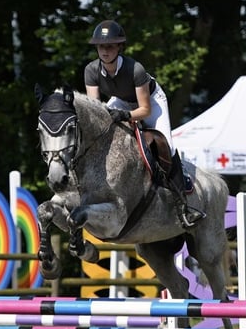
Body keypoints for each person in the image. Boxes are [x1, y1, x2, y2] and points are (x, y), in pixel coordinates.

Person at [83, 19, 205, 228]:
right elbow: (96, 108)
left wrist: (125, 116)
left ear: (119, 47)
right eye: (101, 46)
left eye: (110, 46)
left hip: (150, 102)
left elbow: (144, 110)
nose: (105, 51)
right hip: (121, 100)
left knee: (167, 145)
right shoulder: (91, 71)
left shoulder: (135, 69)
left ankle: (183, 205)